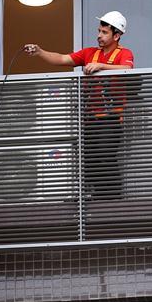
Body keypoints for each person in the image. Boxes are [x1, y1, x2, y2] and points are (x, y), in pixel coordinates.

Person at [24, 11, 134, 200]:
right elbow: (61, 59)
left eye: (104, 32)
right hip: (89, 118)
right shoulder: (89, 53)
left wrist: (100, 66)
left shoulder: (124, 54)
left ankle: (113, 201)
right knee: (90, 161)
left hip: (111, 119)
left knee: (105, 157)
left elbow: (127, 69)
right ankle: (98, 199)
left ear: (117, 35)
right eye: (99, 31)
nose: (99, 35)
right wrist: (40, 51)